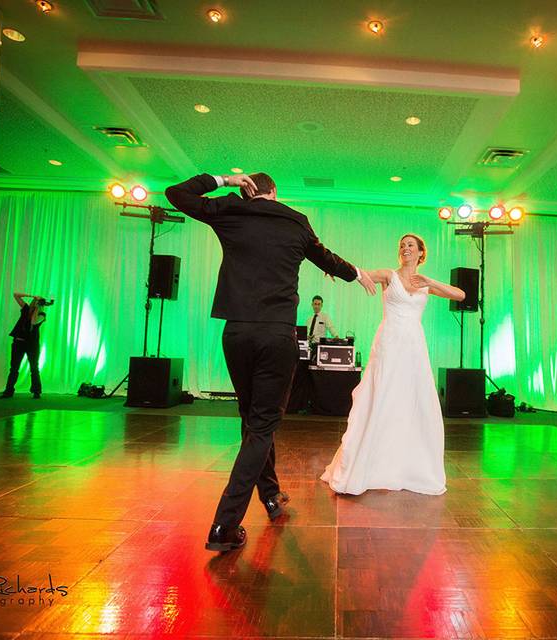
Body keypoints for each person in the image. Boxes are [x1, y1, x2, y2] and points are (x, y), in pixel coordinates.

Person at [165, 170, 375, 552]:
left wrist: (224, 180)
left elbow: (175, 194)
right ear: (275, 192)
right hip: (276, 334)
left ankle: (272, 495)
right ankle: (224, 525)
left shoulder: (231, 209)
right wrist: (356, 273)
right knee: (261, 426)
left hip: (237, 333)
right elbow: (325, 257)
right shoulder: (295, 221)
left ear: (250, 190)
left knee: (252, 420)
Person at [321, 233, 465, 496]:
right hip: (389, 341)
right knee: (383, 395)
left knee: (411, 399)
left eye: (411, 245)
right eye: (402, 245)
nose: (405, 248)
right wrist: (333, 268)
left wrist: (430, 281)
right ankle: (371, 463)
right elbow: (361, 273)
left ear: (421, 252)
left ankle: (406, 463)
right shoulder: (390, 275)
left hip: (414, 346)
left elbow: (460, 294)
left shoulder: (425, 284)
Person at [0, 293, 47, 399]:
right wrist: (32, 296)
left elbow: (34, 321)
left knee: (34, 368)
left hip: (32, 345)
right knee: (14, 368)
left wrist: (37, 309)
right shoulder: (26, 308)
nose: (36, 304)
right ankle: (8, 391)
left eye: (39, 303)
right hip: (18, 343)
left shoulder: (42, 315)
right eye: (36, 302)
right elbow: (15, 295)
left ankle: (36, 391)